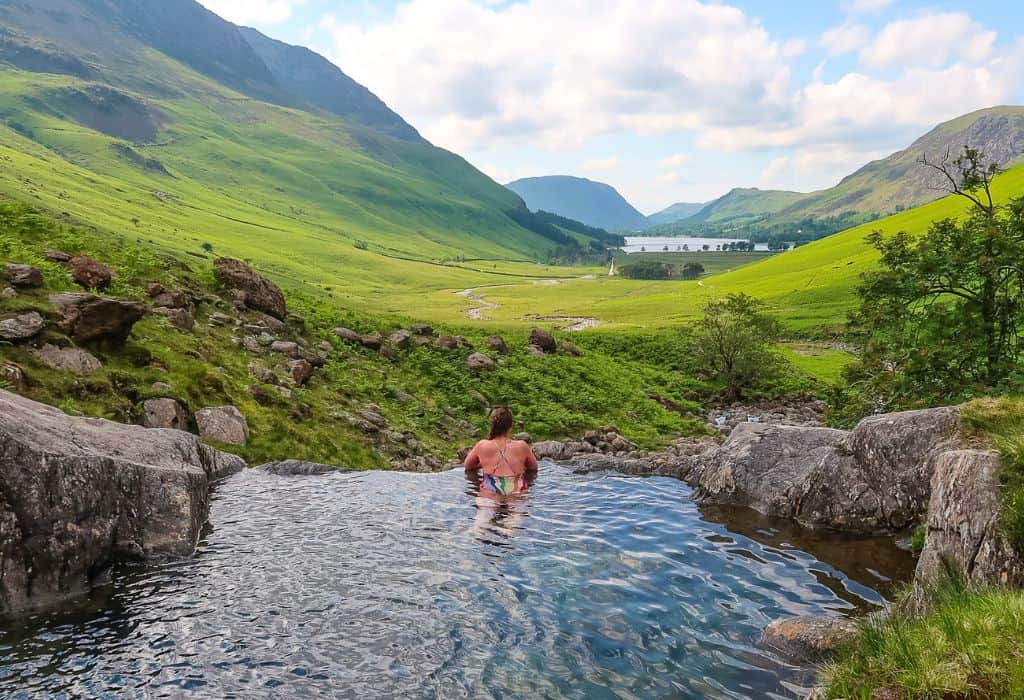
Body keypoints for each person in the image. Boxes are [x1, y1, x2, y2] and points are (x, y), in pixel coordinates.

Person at [464, 407, 538, 496]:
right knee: (517, 509)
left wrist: (483, 463)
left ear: (492, 425)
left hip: (491, 484)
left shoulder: (482, 445)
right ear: (510, 426)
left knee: (485, 509)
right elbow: (533, 468)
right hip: (515, 483)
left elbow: (468, 466)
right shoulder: (522, 445)